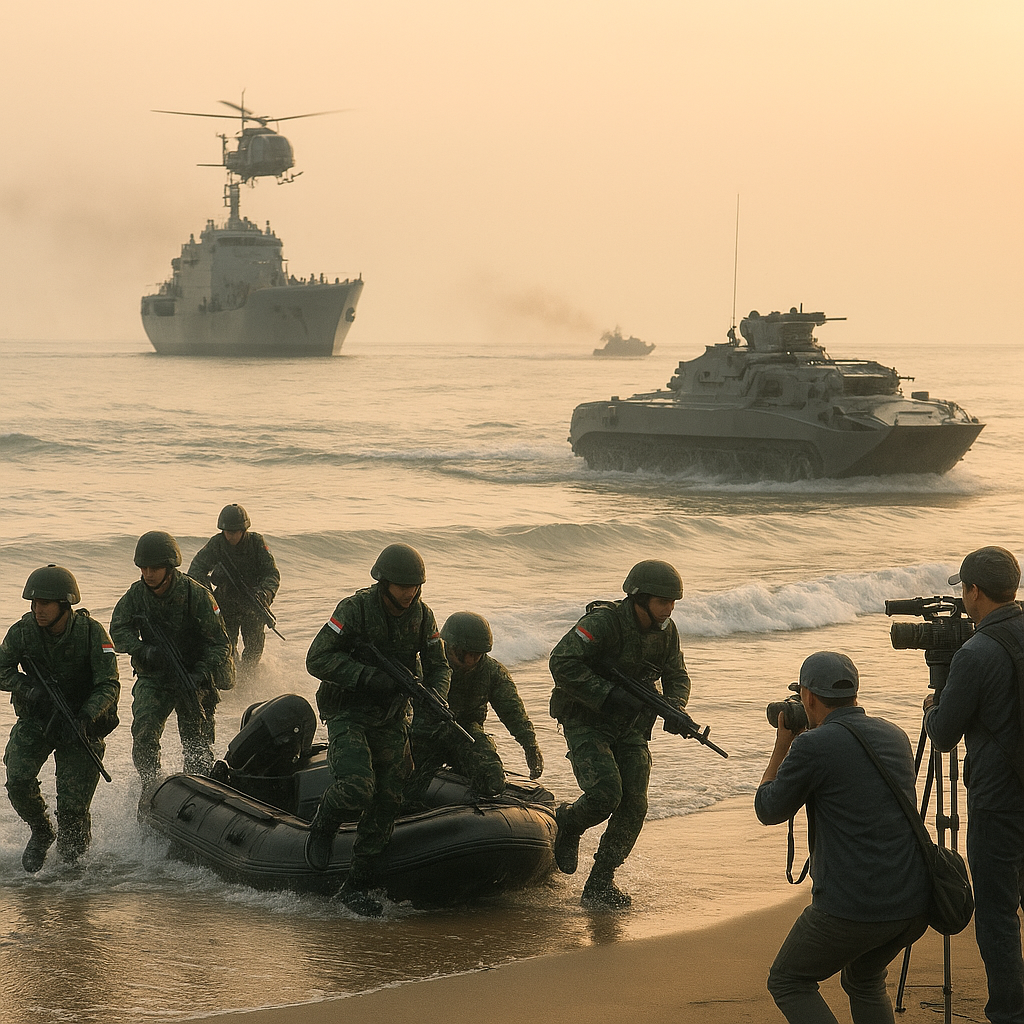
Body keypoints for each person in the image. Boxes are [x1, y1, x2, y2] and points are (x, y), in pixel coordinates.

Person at [756, 651, 930, 1024]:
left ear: (808, 697)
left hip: (855, 908)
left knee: (788, 980)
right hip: (913, 902)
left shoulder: (813, 746)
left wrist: (783, 745)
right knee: (863, 979)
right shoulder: (894, 734)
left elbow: (768, 808)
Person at [304, 543, 451, 917]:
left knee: (387, 801)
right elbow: (316, 658)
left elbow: (439, 665)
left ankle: (356, 885)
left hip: (391, 717)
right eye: (402, 586)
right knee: (357, 787)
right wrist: (366, 676)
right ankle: (324, 824)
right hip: (348, 711)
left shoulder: (423, 616)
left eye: (414, 586)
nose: (409, 593)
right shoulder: (354, 609)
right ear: (384, 583)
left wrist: (435, 694)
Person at [548, 559, 691, 909]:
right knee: (605, 793)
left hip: (630, 726)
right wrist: (608, 694)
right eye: (663, 601)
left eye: (673, 602)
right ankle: (569, 823)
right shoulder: (604, 622)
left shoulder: (666, 632)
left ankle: (600, 880)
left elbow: (677, 676)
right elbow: (561, 662)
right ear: (640, 598)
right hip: (587, 719)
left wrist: (674, 708)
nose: (669, 609)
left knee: (635, 804)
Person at [924, 546, 1024, 1024]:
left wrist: (932, 706)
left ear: (973, 591)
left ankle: (1009, 1011)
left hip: (999, 800)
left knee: (998, 911)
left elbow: (944, 734)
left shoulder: (975, 653)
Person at [0, 565, 120, 871]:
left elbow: (109, 683)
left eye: (44, 603)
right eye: (34, 603)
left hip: (80, 723)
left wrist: (87, 715)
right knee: (18, 780)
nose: (37, 610)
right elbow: (2, 669)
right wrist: (28, 689)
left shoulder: (91, 633)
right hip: (38, 719)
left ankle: (71, 875)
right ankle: (42, 831)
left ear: (64, 604)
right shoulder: (24, 631)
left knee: (72, 812)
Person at [110, 531, 233, 787]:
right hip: (155, 677)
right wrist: (143, 650)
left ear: (169, 567)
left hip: (193, 677)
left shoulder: (196, 595)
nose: (148, 574)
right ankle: (151, 786)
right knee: (144, 735)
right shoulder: (136, 595)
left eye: (154, 568)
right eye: (144, 568)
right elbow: (118, 631)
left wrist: (201, 672)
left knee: (197, 746)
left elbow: (221, 644)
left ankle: (199, 790)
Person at [405, 611, 543, 803]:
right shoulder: (425, 667)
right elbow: (401, 709)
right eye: (465, 654)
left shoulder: (492, 672)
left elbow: (512, 710)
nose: (470, 661)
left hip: (465, 733)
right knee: (403, 789)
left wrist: (530, 745)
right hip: (423, 734)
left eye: (476, 655)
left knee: (492, 779)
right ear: (448, 646)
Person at [187, 503, 280, 675]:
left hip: (253, 604)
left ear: (243, 530)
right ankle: (233, 679)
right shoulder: (217, 543)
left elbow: (271, 574)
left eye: (234, 532)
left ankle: (249, 680)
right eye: (227, 531)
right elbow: (196, 570)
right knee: (227, 650)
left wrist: (265, 593)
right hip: (225, 604)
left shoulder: (256, 543)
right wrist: (208, 595)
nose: (230, 536)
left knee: (254, 651)